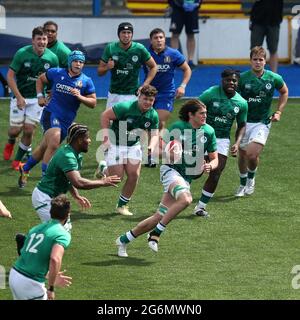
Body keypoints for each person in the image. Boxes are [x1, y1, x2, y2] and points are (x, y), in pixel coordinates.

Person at [116, 99, 218, 257]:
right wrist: (171, 153)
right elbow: (157, 149)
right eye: (201, 113)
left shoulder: (209, 131)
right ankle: (156, 234)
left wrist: (210, 165)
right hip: (170, 171)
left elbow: (215, 158)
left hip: (185, 178)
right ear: (191, 115)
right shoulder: (178, 127)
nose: (205, 115)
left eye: (206, 113)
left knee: (159, 216)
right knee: (186, 200)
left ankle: (123, 240)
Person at [18, 50, 96, 187]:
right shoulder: (56, 72)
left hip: (66, 121)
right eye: (76, 61)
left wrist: (80, 97)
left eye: (81, 62)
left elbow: (93, 103)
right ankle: (45, 179)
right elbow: (40, 80)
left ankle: (25, 168)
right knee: (54, 141)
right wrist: (40, 97)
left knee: (45, 148)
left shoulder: (86, 81)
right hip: (50, 113)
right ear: (70, 62)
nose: (78, 64)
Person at [31, 123, 121, 230]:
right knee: (59, 232)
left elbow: (69, 179)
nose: (90, 140)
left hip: (54, 199)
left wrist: (76, 196)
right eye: (87, 137)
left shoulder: (75, 154)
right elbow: (78, 182)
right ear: (79, 140)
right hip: (45, 199)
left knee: (65, 230)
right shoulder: (67, 156)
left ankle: (32, 241)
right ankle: (29, 242)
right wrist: (103, 182)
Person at [97, 85, 159, 216]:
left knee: (134, 175)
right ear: (139, 97)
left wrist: (151, 147)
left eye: (151, 100)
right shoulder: (125, 107)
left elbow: (154, 134)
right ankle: (103, 169)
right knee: (117, 178)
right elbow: (105, 116)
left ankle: (122, 206)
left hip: (133, 145)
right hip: (116, 144)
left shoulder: (153, 115)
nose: (148, 102)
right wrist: (106, 138)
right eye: (145, 99)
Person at [3, 26, 59, 170]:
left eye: (44, 39)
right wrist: (19, 97)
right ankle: (10, 141)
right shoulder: (22, 54)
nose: (42, 42)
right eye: (39, 39)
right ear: (33, 40)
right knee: (15, 130)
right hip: (19, 97)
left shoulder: (52, 58)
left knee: (29, 130)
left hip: (37, 99)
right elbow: (9, 76)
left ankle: (17, 161)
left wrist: (51, 93)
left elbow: (56, 78)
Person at [193, 69, 248, 217]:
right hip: (202, 134)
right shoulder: (210, 93)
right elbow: (193, 109)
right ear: (222, 81)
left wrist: (237, 143)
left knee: (217, 171)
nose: (231, 83)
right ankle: (174, 194)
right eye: (228, 80)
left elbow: (242, 124)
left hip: (222, 139)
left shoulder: (241, 103)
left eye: (234, 81)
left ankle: (200, 207)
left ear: (238, 83)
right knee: (195, 172)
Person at [235, 46, 288, 197]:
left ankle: (251, 179)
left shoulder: (273, 78)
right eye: (255, 59)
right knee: (243, 154)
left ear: (265, 61)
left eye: (261, 59)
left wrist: (278, 111)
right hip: (244, 122)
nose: (258, 62)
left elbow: (284, 91)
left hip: (262, 122)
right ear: (250, 61)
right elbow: (236, 100)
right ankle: (242, 182)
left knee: (252, 154)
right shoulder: (242, 79)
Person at [9, 194, 72, 300]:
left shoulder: (35, 229)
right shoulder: (62, 234)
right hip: (30, 283)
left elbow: (28, 256)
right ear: (67, 215)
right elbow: (55, 259)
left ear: (51, 212)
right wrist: (51, 288)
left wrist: (48, 275)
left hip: (15, 274)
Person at [144, 28, 191, 167]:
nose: (159, 40)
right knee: (152, 124)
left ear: (165, 39)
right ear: (151, 40)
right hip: (148, 92)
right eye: (156, 38)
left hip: (166, 93)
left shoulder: (173, 53)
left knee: (157, 121)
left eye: (161, 37)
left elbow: (187, 69)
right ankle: (156, 150)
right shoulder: (145, 54)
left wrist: (182, 86)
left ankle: (151, 154)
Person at [97, 22, 157, 109]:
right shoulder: (110, 48)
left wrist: (145, 85)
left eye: (129, 32)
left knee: (126, 122)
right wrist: (107, 67)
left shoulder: (139, 48)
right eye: (123, 32)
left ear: (132, 34)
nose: (126, 35)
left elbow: (154, 67)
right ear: (119, 34)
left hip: (132, 94)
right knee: (111, 121)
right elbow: (99, 72)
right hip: (114, 93)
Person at [249, 0, 283, 73]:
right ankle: (253, 74)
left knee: (273, 50)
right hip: (257, 20)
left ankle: (274, 75)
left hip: (274, 20)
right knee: (254, 50)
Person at [168, 0, 202, 69]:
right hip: (177, 9)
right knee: (175, 34)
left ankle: (190, 61)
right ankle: (176, 60)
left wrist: (197, 3)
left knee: (191, 35)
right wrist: (181, 4)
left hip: (193, 9)